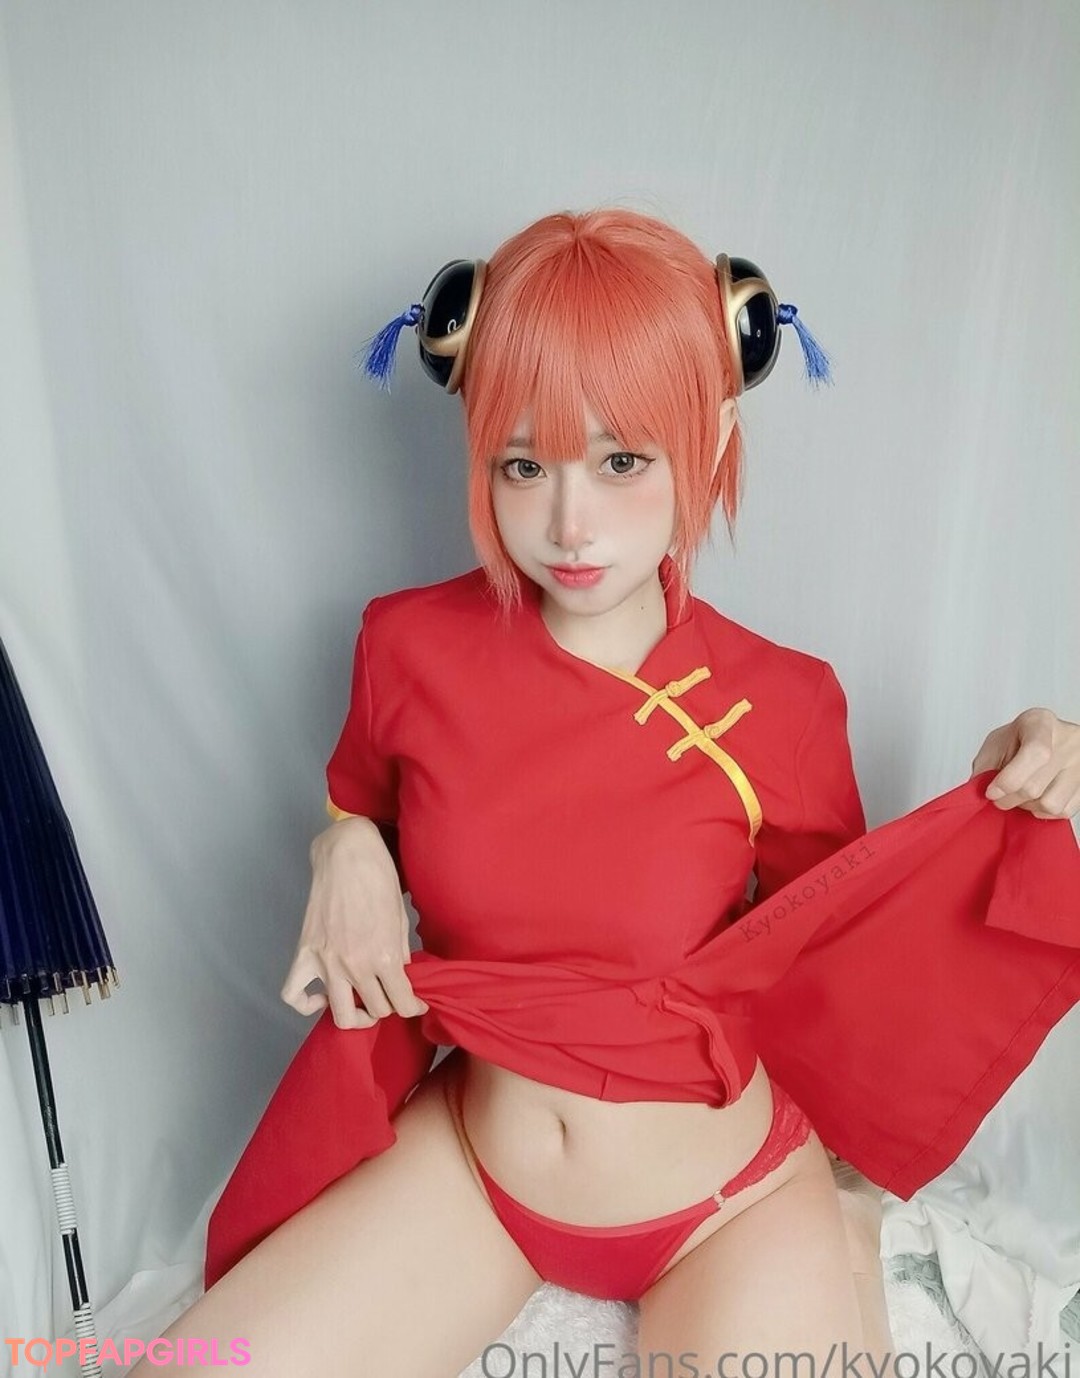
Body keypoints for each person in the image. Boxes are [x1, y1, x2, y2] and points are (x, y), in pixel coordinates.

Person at [131, 209, 1080, 1377]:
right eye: (523, 465)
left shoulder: (783, 701)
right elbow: (359, 798)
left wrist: (1005, 797)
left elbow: (840, 948)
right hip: (476, 1173)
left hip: (726, 1204)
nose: (569, 524)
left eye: (622, 461)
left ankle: (830, 1230)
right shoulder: (405, 647)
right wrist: (347, 849)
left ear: (711, 434)